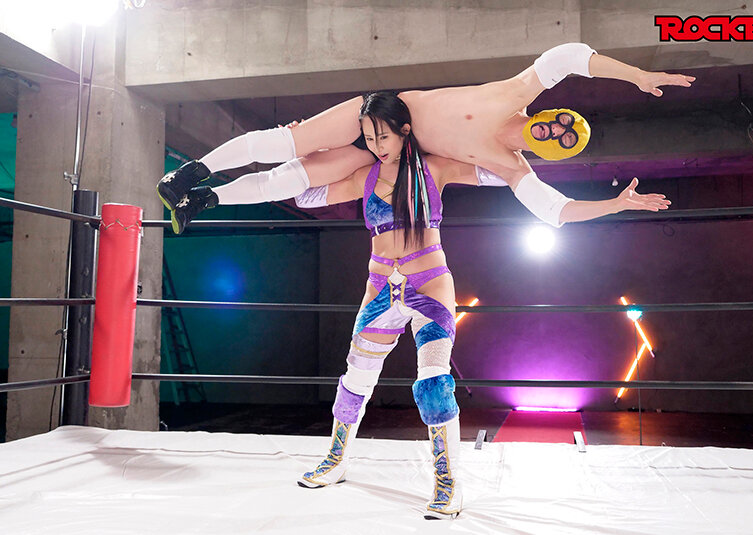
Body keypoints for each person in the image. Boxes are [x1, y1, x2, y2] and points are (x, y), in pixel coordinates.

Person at [174, 91, 669, 519]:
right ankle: (336, 459)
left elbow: (508, 174)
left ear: (405, 130)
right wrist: (313, 148)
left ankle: (447, 482)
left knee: (432, 382)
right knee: (355, 379)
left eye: (383, 136)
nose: (376, 145)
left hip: (430, 287)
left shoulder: (436, 167)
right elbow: (303, 195)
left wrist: (608, 199)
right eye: (369, 137)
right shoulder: (365, 175)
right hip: (378, 289)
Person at [157, 42, 693, 233]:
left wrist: (616, 205)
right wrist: (638, 76)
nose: (552, 129)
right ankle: (188, 174)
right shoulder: (516, 92)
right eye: (559, 121)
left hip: (388, 148)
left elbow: (556, 212)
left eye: (560, 138)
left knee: (294, 180)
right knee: (287, 143)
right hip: (382, 112)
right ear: (555, 112)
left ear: (554, 149)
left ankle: (203, 201)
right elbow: (571, 56)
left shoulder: (511, 167)